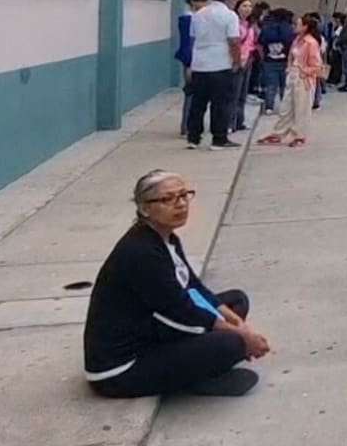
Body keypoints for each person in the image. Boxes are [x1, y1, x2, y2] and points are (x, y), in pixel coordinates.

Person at [84, 170, 270, 398]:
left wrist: (234, 322)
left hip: (152, 330)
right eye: (168, 199)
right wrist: (242, 337)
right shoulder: (142, 253)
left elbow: (192, 286)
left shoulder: (165, 237)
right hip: (122, 371)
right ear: (144, 209)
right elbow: (179, 312)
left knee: (236, 301)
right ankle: (198, 377)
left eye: (184, 196)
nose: (180, 204)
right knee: (231, 342)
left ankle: (199, 363)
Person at [186, 0, 242, 151]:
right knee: (220, 104)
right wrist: (237, 61)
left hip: (200, 64)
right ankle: (219, 138)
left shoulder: (198, 15)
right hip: (220, 64)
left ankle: (193, 137)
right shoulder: (229, 15)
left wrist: (191, 63)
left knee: (197, 103)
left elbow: (192, 40)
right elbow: (234, 41)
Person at [257, 14, 324, 148]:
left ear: (305, 27)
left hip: (303, 78)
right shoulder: (297, 40)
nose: (294, 27)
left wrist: (304, 71)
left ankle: (300, 135)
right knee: (286, 107)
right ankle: (279, 132)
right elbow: (291, 56)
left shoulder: (311, 43)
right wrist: (289, 68)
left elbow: (317, 65)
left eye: (297, 24)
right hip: (292, 75)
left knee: (302, 108)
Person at [174, 0, 208, 137]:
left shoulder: (198, 18)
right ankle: (187, 126)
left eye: (204, 1)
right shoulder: (188, 19)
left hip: (199, 59)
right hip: (192, 60)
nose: (203, 4)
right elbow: (187, 44)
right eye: (200, 1)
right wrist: (189, 64)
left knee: (195, 94)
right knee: (191, 93)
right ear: (193, 2)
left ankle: (190, 125)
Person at [258, 8, 294, 115]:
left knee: (271, 85)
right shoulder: (289, 29)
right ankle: (285, 106)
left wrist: (263, 57)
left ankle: (269, 106)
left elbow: (260, 43)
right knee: (284, 85)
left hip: (269, 60)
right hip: (285, 60)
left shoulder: (266, 28)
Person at [230, 0, 258, 133]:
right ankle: (230, 123)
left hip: (248, 60)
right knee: (234, 94)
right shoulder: (234, 23)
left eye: (249, 6)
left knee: (243, 94)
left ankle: (239, 121)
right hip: (237, 61)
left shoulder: (251, 25)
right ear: (238, 8)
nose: (247, 8)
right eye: (244, 6)